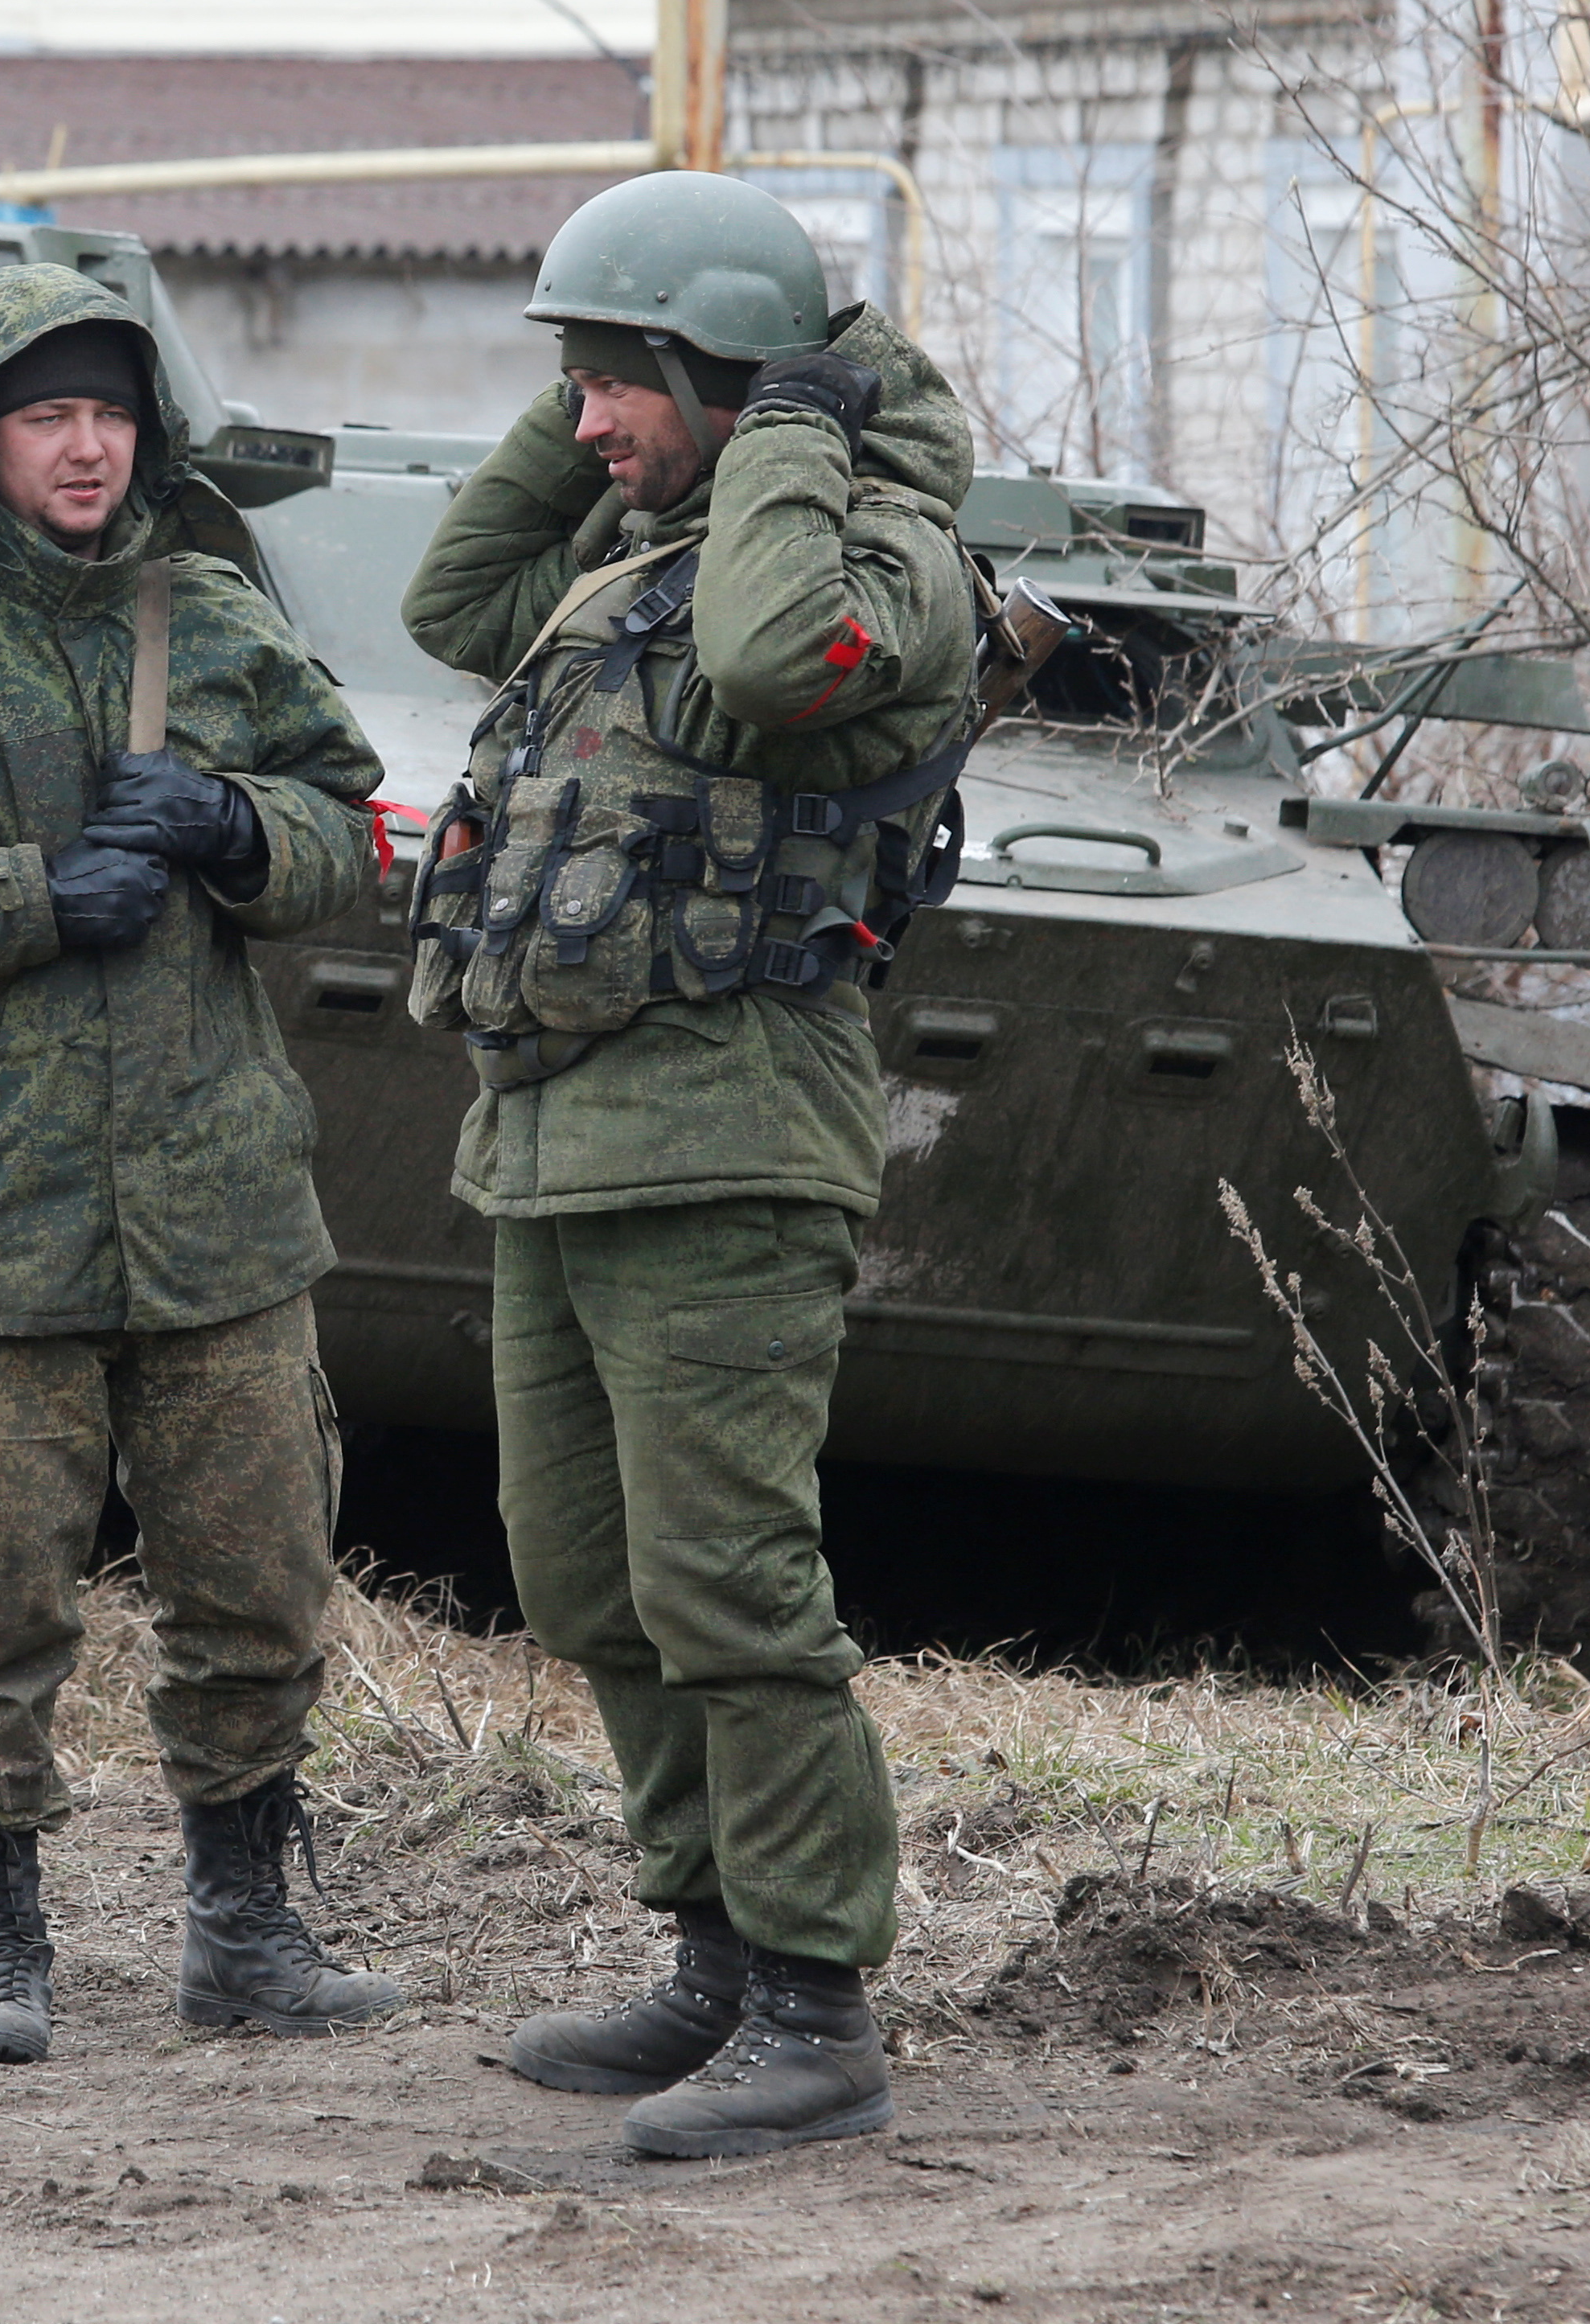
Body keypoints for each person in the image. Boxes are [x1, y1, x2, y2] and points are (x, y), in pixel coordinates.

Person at [0, 263, 404, 2065]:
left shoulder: (218, 621)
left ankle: (249, 1939)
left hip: (217, 1208)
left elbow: (358, 837)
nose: (88, 445)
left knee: (257, 1586)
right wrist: (30, 899)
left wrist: (235, 832)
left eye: (111, 412)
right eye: (50, 413)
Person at [396, 172, 979, 2157]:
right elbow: (449, 605)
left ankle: (820, 2013)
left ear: (731, 384)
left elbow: (758, 668)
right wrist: (614, 359)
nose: (581, 428)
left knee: (731, 1581)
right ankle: (715, 1960)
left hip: (729, 1133)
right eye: (570, 388)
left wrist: (792, 421)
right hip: (556, 1141)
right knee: (589, 1580)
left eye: (616, 386)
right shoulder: (622, 557)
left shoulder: (881, 563)